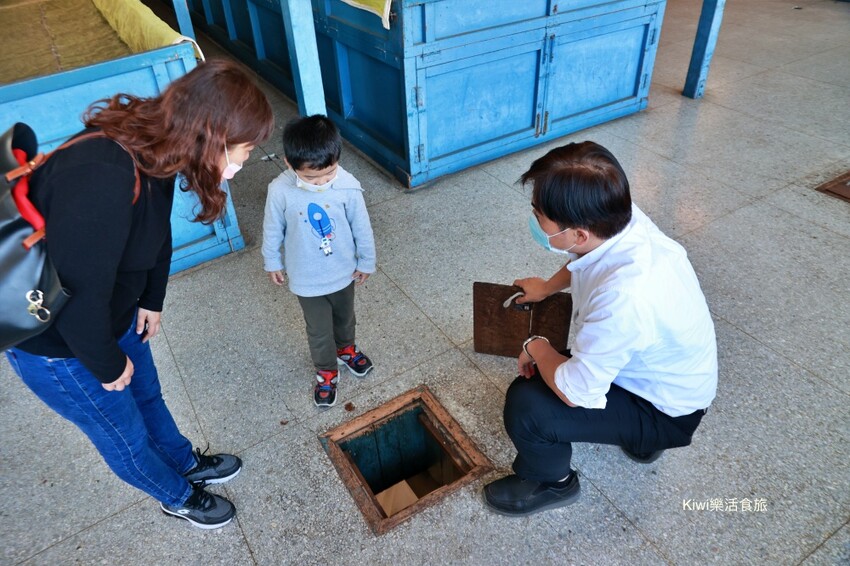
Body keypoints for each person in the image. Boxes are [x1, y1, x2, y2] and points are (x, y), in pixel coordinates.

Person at [4, 59, 274, 529]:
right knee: (123, 433)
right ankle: (177, 495)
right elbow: (77, 294)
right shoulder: (103, 173)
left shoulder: (157, 148)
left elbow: (155, 233)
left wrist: (152, 297)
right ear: (210, 134)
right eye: (243, 150)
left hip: (114, 314)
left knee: (149, 396)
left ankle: (184, 462)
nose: (242, 163)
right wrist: (107, 364)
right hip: (62, 346)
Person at [483, 141, 717, 516]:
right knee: (570, 368)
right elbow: (583, 257)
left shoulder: (626, 296)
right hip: (669, 378)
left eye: (538, 213)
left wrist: (537, 346)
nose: (533, 217)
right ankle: (637, 438)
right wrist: (546, 287)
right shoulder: (619, 218)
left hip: (666, 411)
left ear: (577, 233)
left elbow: (575, 392)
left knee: (527, 403)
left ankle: (551, 482)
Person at [262, 115, 376, 408]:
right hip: (306, 277)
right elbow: (273, 228)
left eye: (329, 173)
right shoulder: (280, 190)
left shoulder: (347, 186)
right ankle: (326, 370)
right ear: (289, 163)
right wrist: (272, 260)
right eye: (311, 178)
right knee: (318, 329)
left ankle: (347, 349)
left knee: (345, 317)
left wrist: (367, 261)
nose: (322, 182)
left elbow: (361, 226)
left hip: (343, 272)